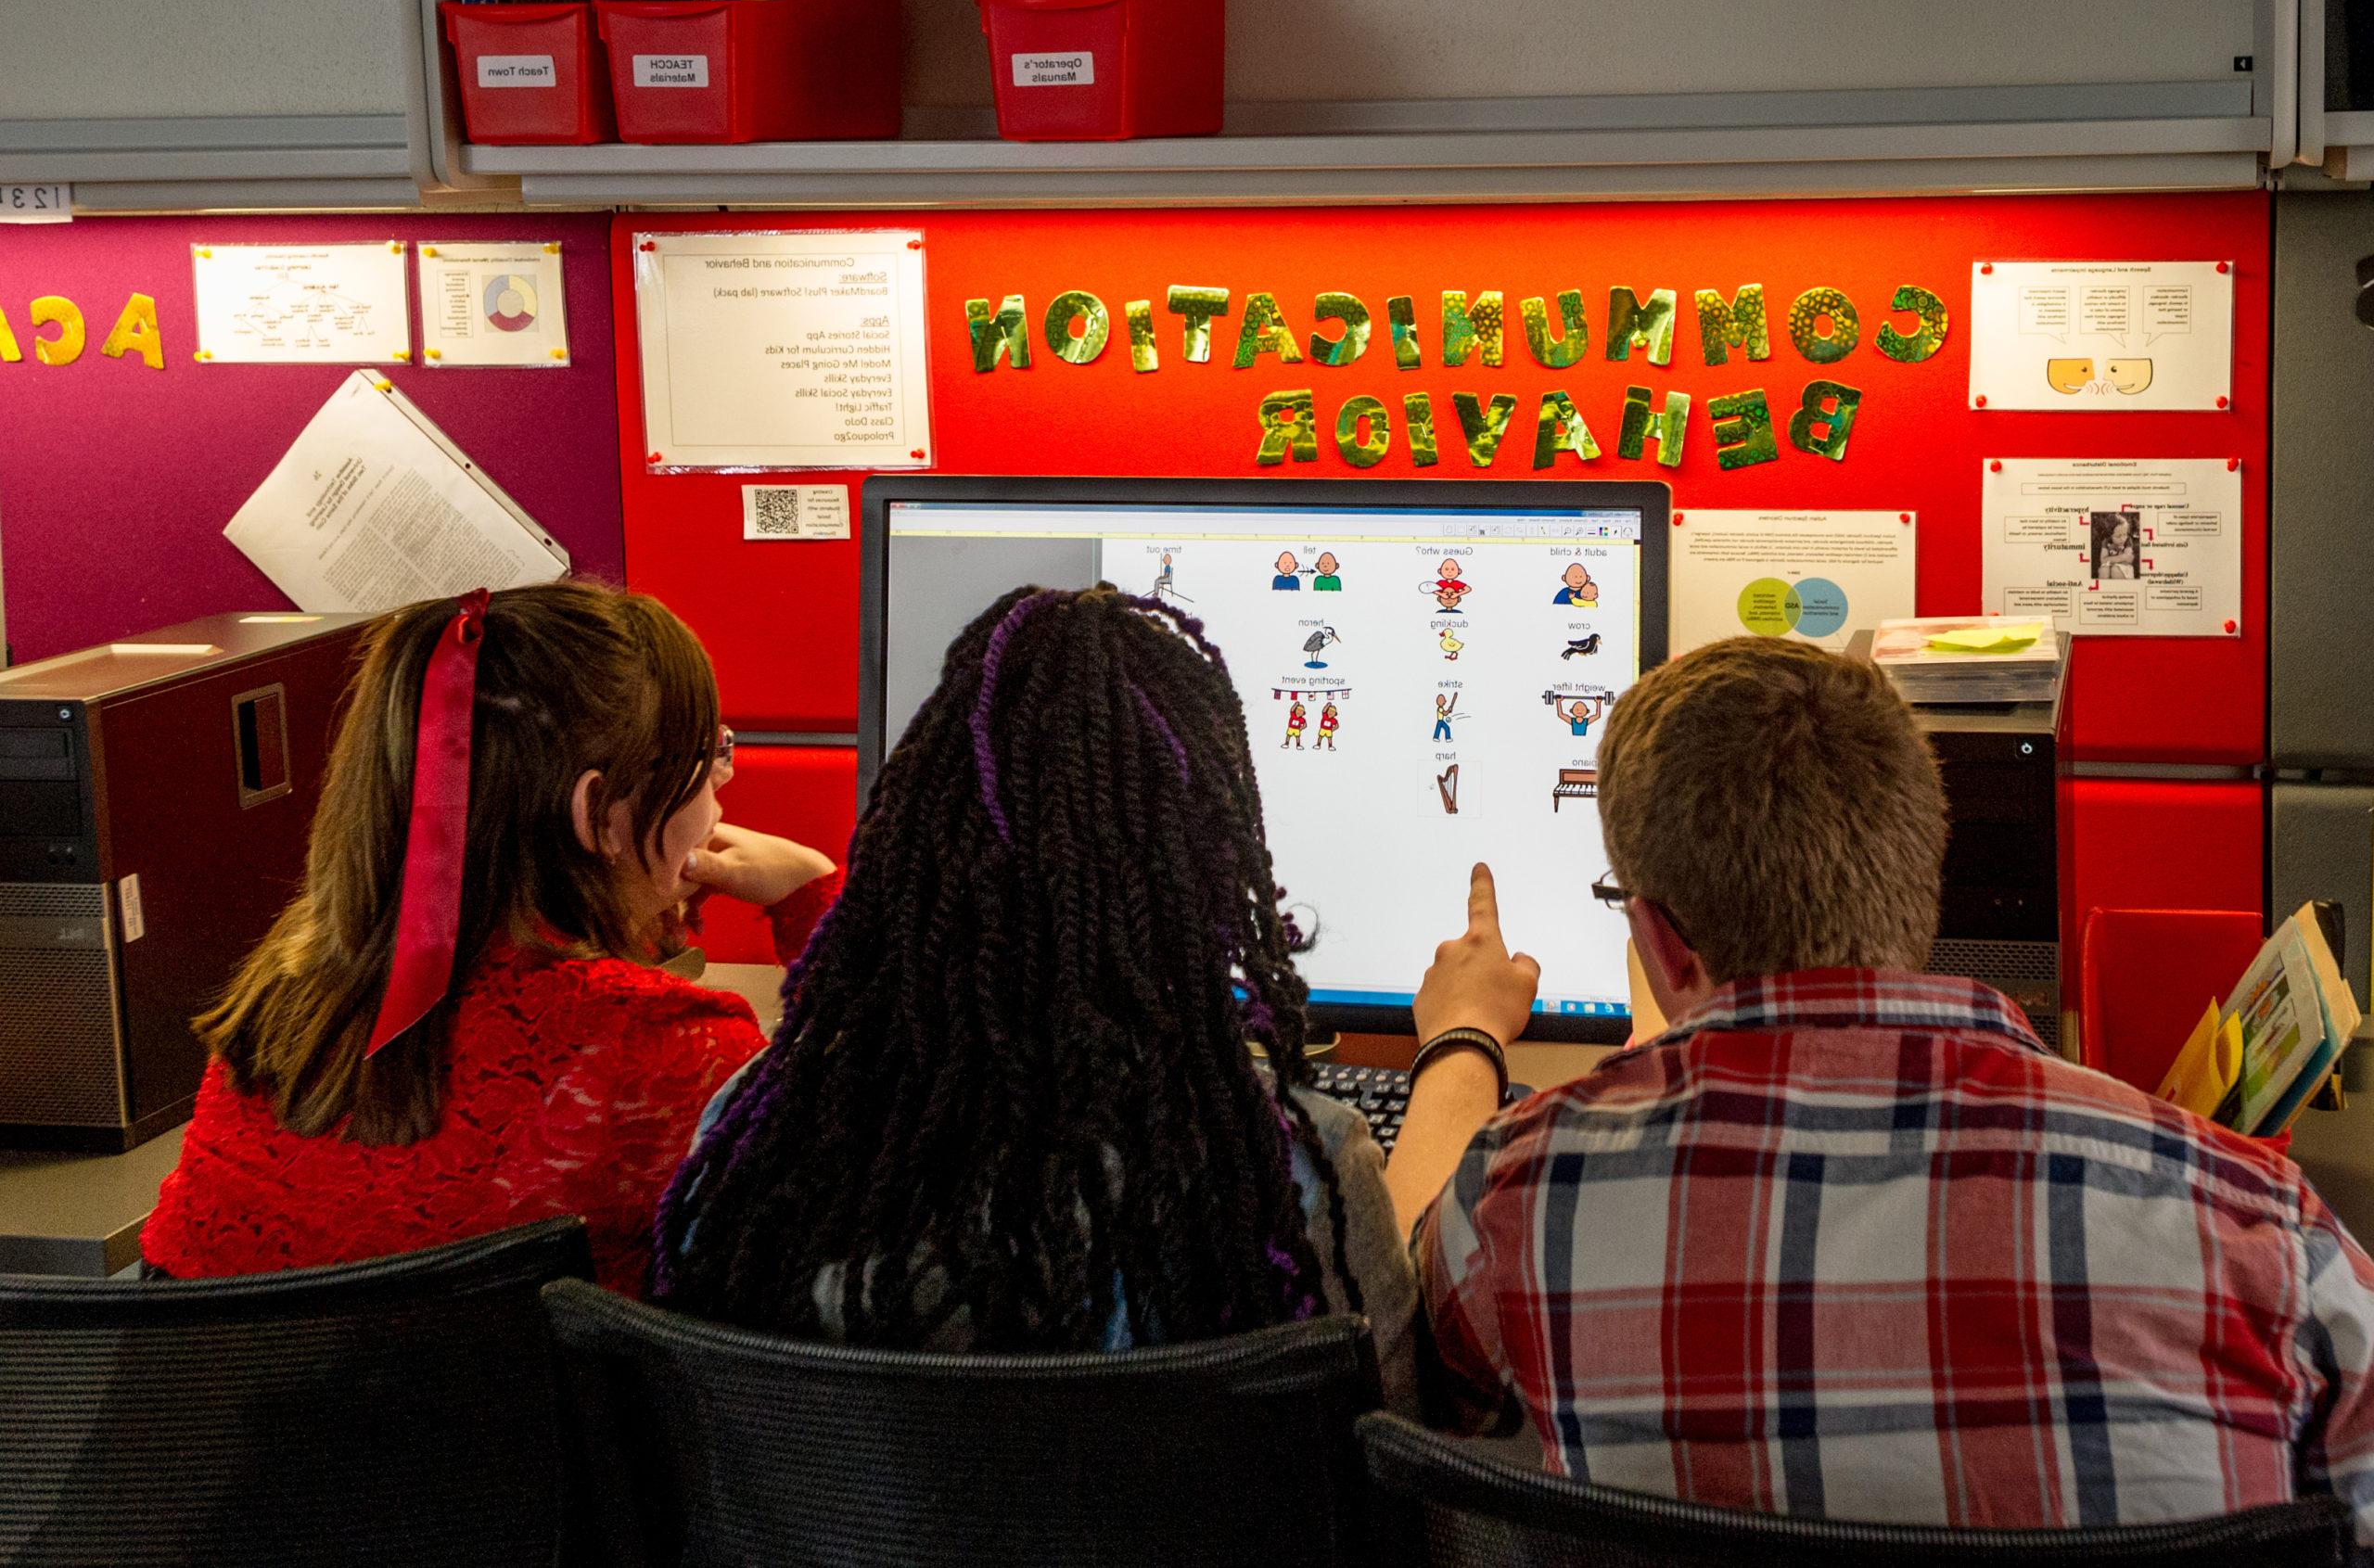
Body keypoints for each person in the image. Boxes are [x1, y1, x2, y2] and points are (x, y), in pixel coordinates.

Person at [1395, 637, 2374, 1538]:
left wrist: (1473, 1040)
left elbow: (1414, 1387)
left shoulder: (1525, 1193)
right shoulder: (2262, 1228)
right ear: (1921, 881)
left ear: (1656, 941)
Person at [652, 586, 1423, 1412]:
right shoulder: (1283, 1174)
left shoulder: (756, 1139)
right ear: (1201, 873)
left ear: (911, 848)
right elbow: (1396, 1470)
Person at [140, 582, 841, 1293]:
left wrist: (622, 920)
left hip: (202, 1404)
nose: (719, 794)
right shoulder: (658, 1046)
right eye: (707, 760)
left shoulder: (287, 995)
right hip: (523, 1411)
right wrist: (818, 902)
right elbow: (875, 1182)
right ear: (598, 813)